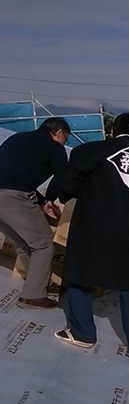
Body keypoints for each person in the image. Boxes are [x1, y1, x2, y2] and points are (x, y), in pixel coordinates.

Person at [54, 113, 129, 357]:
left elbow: (68, 184)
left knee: (79, 275)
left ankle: (83, 334)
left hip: (92, 229)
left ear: (112, 132)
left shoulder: (91, 151)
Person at [0, 117, 70, 309]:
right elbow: (63, 176)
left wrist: (40, 201)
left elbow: (13, 173)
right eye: (66, 138)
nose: (65, 143)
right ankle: (32, 296)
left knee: (23, 242)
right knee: (43, 243)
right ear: (59, 133)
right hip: (13, 197)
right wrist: (51, 199)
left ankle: (40, 284)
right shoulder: (55, 148)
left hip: (5, 194)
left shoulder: (18, 138)